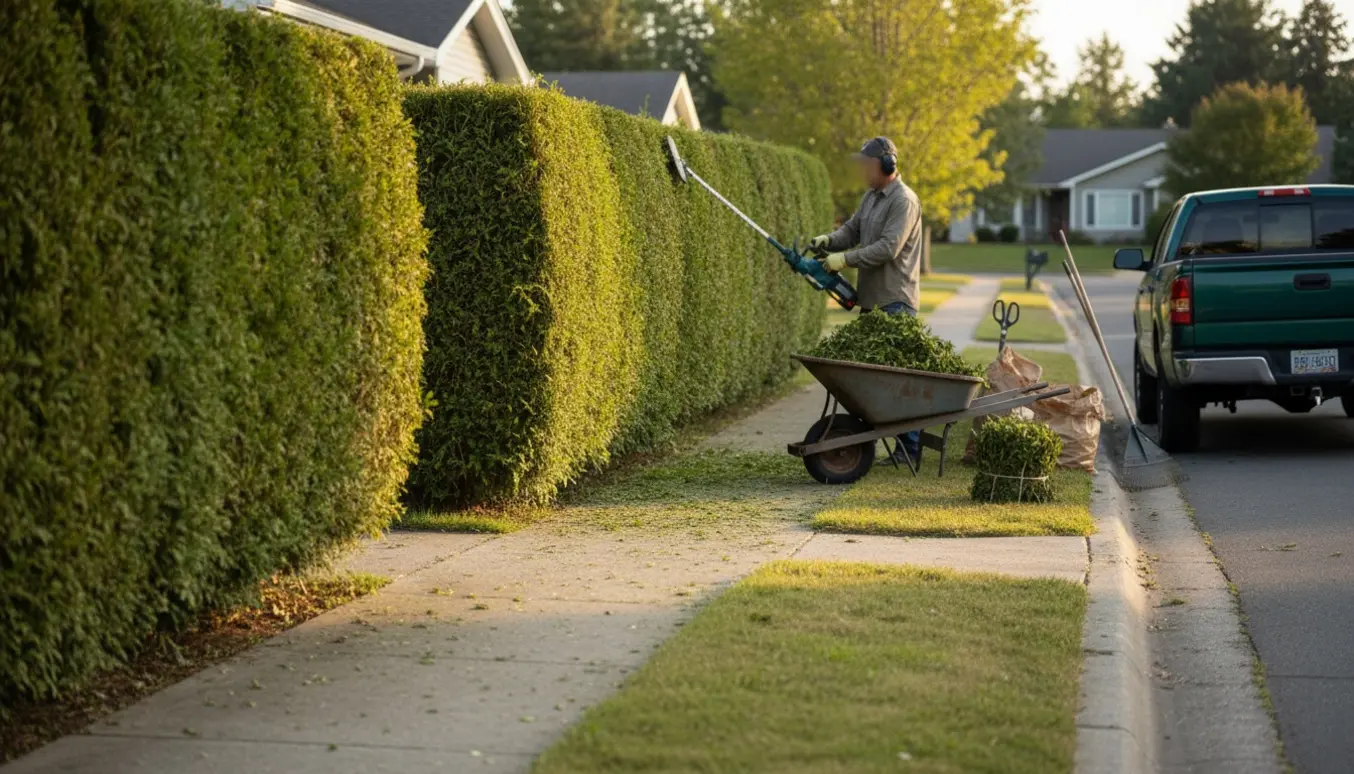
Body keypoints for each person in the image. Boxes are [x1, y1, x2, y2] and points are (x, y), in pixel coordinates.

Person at [808, 136, 924, 466]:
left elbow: (889, 247)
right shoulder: (871, 197)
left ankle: (909, 449)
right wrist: (829, 241)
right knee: (877, 380)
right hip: (872, 301)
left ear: (886, 165)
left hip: (896, 301)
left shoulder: (904, 201)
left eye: (866, 164)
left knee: (898, 378)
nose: (862, 171)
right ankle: (890, 440)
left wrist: (843, 260)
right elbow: (852, 229)